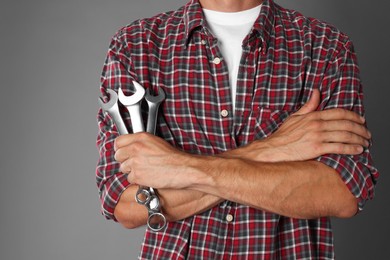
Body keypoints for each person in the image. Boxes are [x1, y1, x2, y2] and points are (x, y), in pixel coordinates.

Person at [96, 0, 379, 258]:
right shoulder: (135, 45)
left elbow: (343, 193)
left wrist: (178, 168)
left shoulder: (326, 46)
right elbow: (126, 205)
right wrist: (276, 147)